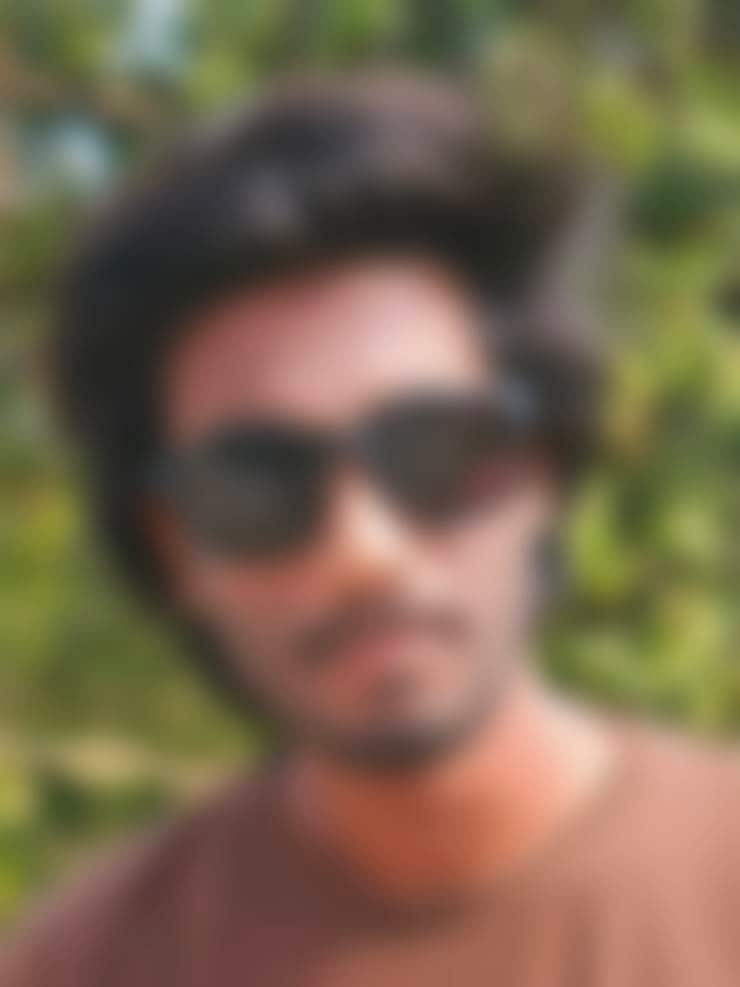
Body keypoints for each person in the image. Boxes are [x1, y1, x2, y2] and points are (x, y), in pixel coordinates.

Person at [2, 69, 739, 987]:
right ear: (173, 545)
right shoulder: (92, 964)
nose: (365, 551)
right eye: (256, 484)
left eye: (432, 448)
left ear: (540, 463)